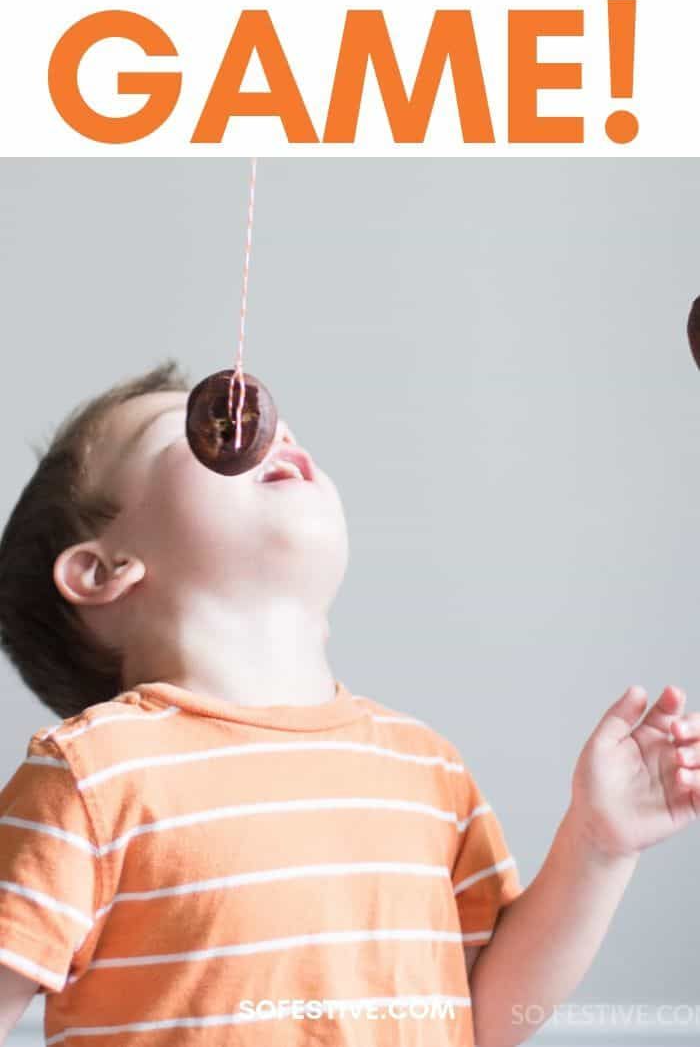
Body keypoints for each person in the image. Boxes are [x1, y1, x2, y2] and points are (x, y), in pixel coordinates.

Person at [0, 361, 696, 1047]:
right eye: (187, 425)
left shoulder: (425, 771)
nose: (262, 421)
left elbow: (486, 1018)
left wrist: (597, 846)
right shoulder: (90, 780)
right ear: (102, 570)